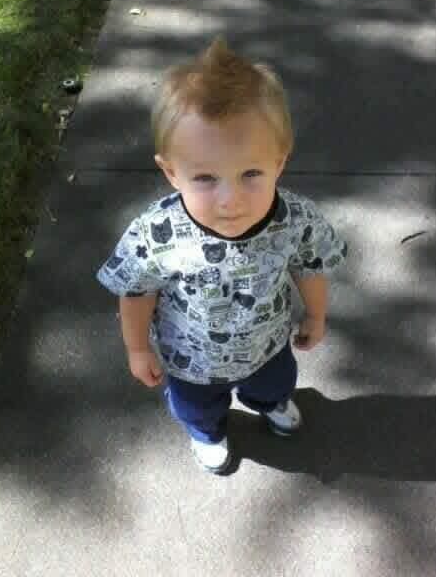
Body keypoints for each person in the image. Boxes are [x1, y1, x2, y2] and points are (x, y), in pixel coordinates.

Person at [97, 37, 347, 473]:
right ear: (171, 172)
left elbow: (310, 265)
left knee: (274, 384)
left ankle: (270, 403)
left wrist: (316, 315)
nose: (230, 199)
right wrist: (137, 348)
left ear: (279, 162)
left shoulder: (295, 220)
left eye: (251, 173)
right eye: (205, 178)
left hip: (267, 346)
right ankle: (207, 431)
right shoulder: (155, 234)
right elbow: (136, 291)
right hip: (190, 360)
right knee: (196, 405)